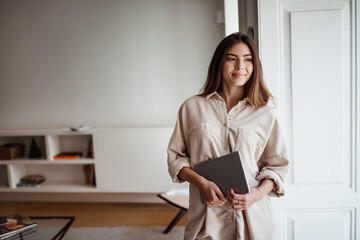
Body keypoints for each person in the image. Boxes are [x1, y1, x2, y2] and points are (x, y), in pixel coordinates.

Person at [167, 32, 289, 240]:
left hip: (252, 221)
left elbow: (277, 167)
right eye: (232, 58)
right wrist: (202, 184)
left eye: (248, 59)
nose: (240, 66)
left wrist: (255, 196)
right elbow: (176, 158)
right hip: (206, 219)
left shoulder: (265, 113)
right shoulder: (191, 108)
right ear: (219, 63)